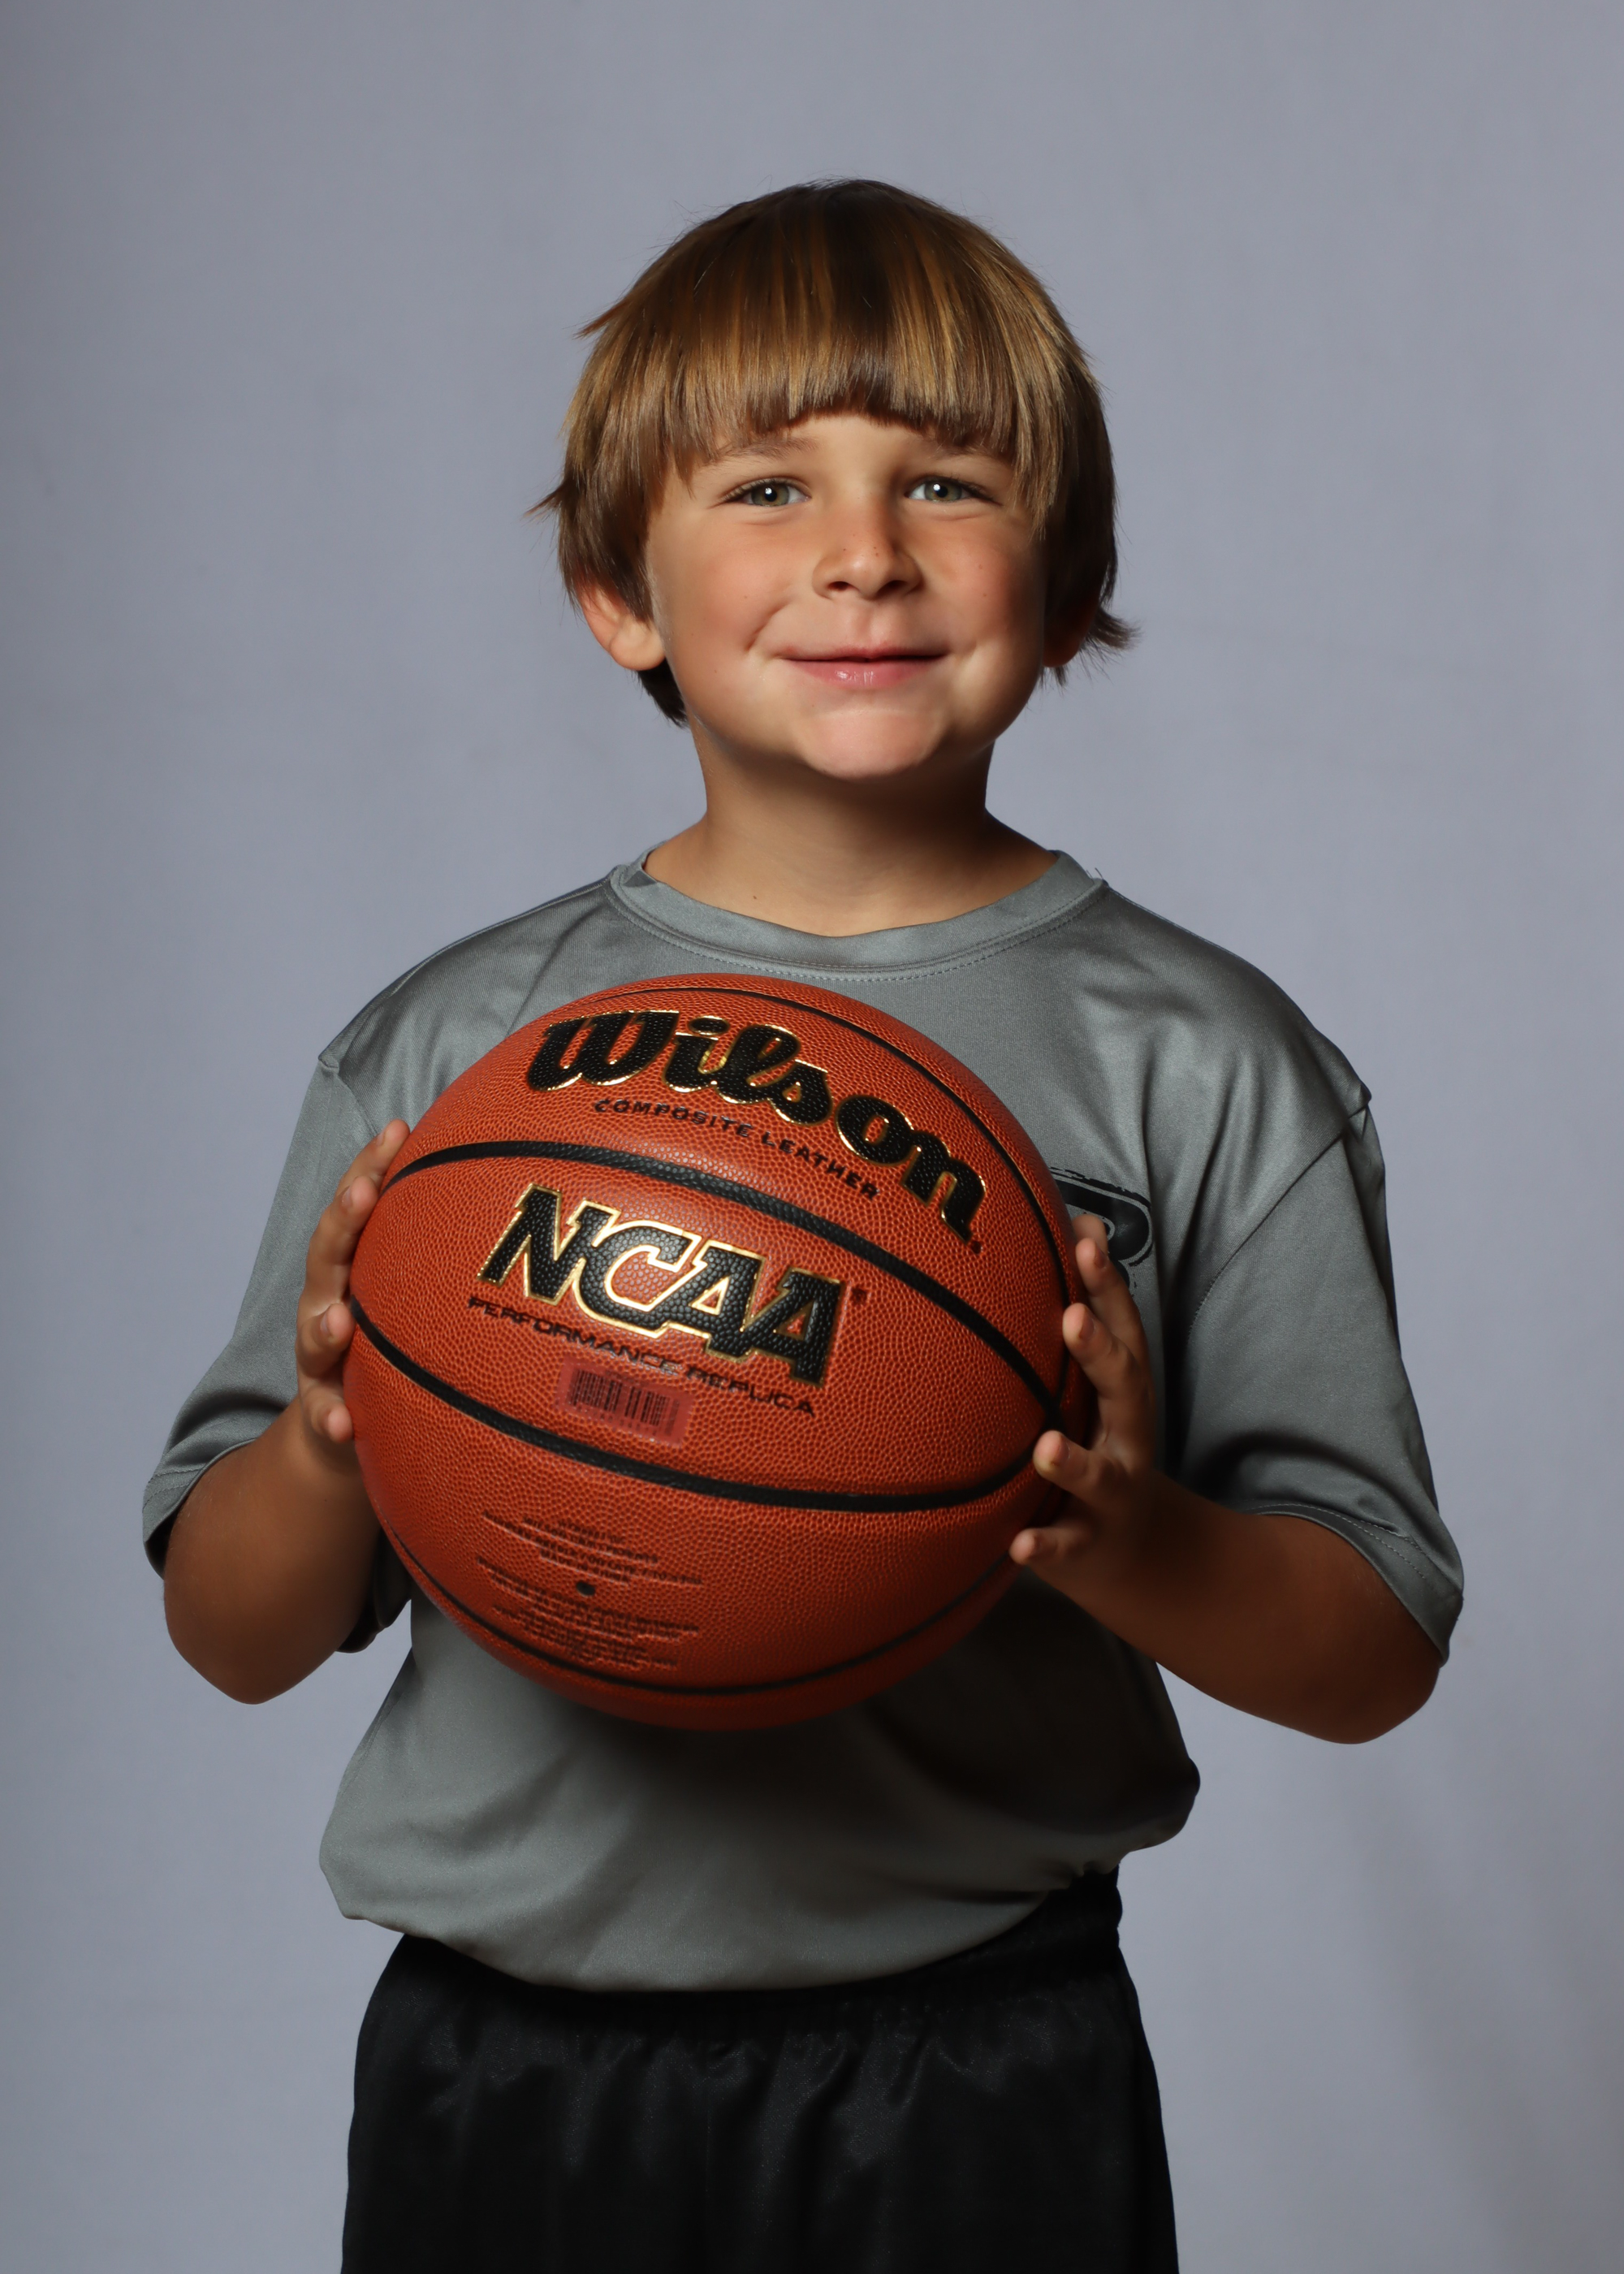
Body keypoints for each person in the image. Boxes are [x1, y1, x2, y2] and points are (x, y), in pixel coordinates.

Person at [147, 180, 1462, 2272]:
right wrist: (330, 1434)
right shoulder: (459, 1057)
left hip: (974, 2064)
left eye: (948, 480)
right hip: (507, 2063)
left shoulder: (1201, 1062)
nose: (864, 551)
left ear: (1065, 582)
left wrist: (1130, 1537)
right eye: (769, 485)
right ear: (620, 593)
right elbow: (231, 1637)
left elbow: (1374, 1649)